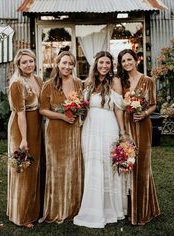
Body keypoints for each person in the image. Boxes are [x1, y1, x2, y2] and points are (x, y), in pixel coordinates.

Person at [73, 51, 126, 228]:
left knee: (106, 163)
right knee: (92, 164)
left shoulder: (115, 82)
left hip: (108, 126)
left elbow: (119, 109)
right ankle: (92, 207)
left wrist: (123, 132)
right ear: (95, 64)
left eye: (108, 63)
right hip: (90, 128)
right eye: (101, 63)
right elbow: (83, 108)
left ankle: (110, 210)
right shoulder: (87, 83)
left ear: (111, 65)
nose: (104, 66)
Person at [38, 51, 83, 223]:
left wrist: (79, 112)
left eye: (70, 63)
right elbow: (42, 110)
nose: (67, 66)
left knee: (73, 167)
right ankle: (56, 208)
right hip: (55, 130)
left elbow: (83, 105)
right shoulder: (48, 85)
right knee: (56, 168)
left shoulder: (79, 83)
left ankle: (73, 207)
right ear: (57, 63)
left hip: (73, 130)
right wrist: (62, 116)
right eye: (64, 63)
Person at [117, 49, 160, 225]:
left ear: (136, 60)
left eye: (129, 59)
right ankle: (128, 208)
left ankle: (143, 209)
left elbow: (153, 104)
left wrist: (144, 114)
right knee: (127, 162)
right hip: (127, 125)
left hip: (142, 125)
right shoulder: (121, 82)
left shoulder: (148, 80)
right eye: (123, 61)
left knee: (141, 163)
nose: (127, 63)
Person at [7, 49, 43, 228]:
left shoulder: (37, 79)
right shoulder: (17, 84)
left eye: (31, 61)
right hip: (22, 128)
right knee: (25, 170)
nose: (28, 64)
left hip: (37, 126)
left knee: (36, 168)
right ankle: (22, 215)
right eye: (24, 62)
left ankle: (35, 209)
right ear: (18, 65)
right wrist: (23, 139)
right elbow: (20, 114)